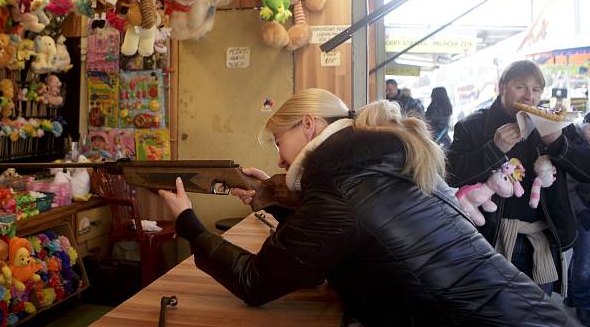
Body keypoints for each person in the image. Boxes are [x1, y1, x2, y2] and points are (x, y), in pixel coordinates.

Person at [158, 89, 575, 326]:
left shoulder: (341, 184)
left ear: (308, 125)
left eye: (277, 142)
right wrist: (271, 197)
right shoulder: (369, 160)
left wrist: (188, 222)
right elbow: (351, 233)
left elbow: (255, 282)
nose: (279, 157)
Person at [448, 60, 590, 295]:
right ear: (502, 86)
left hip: (541, 241)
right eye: (521, 87)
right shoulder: (471, 127)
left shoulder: (554, 125)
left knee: (537, 313)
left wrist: (559, 145)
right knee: (494, 310)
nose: (529, 96)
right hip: (490, 239)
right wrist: (493, 149)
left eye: (536, 90)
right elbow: (451, 174)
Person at [568, 122, 590, 326]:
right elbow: (569, 187)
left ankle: (573, 296)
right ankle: (583, 305)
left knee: (581, 257)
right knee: (584, 263)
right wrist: (582, 212)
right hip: (582, 213)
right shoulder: (576, 149)